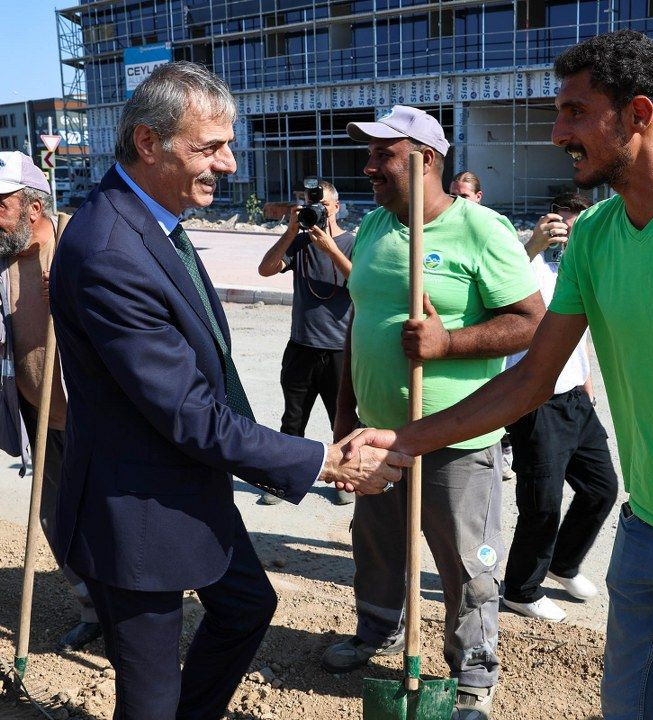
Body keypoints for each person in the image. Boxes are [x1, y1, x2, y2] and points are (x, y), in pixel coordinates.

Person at [347, 31, 653, 720]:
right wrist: (404, 440)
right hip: (644, 533)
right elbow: (529, 382)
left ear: (638, 115)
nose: (559, 132)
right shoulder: (594, 235)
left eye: (575, 113)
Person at [48, 62, 411, 720]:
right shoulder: (110, 250)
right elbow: (185, 410)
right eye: (210, 147)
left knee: (247, 607)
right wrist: (323, 460)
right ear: (149, 144)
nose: (232, 164)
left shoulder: (150, 220)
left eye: (230, 143)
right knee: (150, 698)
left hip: (188, 488)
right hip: (137, 514)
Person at [322, 105, 543, 720]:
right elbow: (357, 324)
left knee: (466, 561)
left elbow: (529, 325)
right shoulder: (372, 230)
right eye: (368, 155)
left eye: (381, 156)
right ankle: (378, 630)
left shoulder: (483, 230)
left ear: (424, 160)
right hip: (376, 429)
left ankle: (473, 668)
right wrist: (344, 411)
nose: (368, 168)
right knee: (377, 545)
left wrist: (449, 344)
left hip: (456, 436)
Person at [0, 151, 101, 652]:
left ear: (32, 208)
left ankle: (133, 617)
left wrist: (78, 293)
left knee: (111, 521)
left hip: (98, 419)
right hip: (39, 417)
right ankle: (92, 609)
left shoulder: (79, 245)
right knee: (55, 520)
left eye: (0, 205)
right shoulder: (3, 260)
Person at [501, 191, 618, 623]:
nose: (573, 231)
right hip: (535, 399)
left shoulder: (580, 265)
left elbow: (579, 331)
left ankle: (563, 563)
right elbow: (499, 285)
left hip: (574, 397)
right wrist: (533, 245)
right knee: (542, 502)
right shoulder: (527, 262)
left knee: (601, 487)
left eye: (582, 222)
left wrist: (587, 383)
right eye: (567, 223)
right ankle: (521, 588)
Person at [258, 179, 355, 505]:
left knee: (342, 421)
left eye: (324, 205)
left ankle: (343, 481)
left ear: (337, 207)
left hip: (340, 349)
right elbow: (265, 270)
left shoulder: (353, 242)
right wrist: (290, 233)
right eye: (315, 205)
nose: (319, 210)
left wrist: (331, 249)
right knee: (292, 419)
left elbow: (360, 284)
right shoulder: (299, 244)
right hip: (301, 346)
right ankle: (283, 482)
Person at [446, 169, 516, 482]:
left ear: (478, 197)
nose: (456, 201)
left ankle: (502, 448)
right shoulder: (445, 230)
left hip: (487, 342)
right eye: (452, 194)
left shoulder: (493, 230)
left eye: (462, 196)